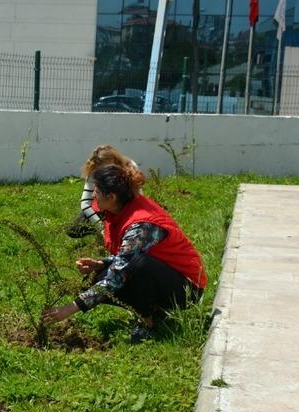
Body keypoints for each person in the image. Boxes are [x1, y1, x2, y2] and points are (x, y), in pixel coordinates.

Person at [43, 163, 207, 343]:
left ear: (111, 197)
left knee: (136, 267)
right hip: (162, 272)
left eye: (96, 191)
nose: (94, 195)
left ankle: (148, 321)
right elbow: (127, 254)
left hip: (186, 288)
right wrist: (102, 263)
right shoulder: (122, 208)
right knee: (96, 277)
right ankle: (154, 309)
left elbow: (121, 271)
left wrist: (69, 309)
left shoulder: (141, 224)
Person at [66, 144, 139, 238]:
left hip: (125, 205)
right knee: (74, 230)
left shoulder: (130, 166)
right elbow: (85, 203)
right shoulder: (94, 170)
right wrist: (101, 228)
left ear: (115, 160)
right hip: (103, 205)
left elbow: (138, 195)